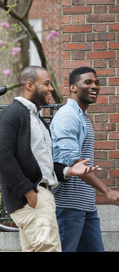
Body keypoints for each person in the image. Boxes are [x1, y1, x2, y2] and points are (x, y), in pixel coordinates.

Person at [0, 66, 99, 252]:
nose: (51, 88)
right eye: (46, 84)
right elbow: (3, 157)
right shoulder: (12, 114)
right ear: (29, 85)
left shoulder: (37, 118)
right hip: (33, 199)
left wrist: (68, 171)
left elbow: (43, 163)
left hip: (42, 196)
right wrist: (28, 193)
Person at [50, 66, 119, 252]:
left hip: (86, 204)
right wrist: (107, 191)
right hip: (68, 205)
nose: (94, 86)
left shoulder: (82, 117)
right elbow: (73, 163)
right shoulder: (67, 116)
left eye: (96, 82)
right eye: (87, 82)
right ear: (73, 87)